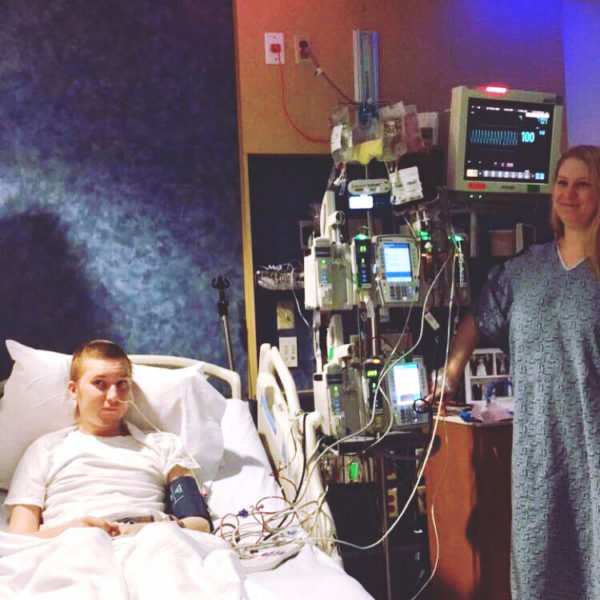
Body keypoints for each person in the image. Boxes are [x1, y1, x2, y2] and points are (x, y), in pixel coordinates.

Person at [434, 145, 600, 599]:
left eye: (583, 183)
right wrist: (451, 371)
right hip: (538, 457)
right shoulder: (526, 270)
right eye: (562, 183)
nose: (569, 194)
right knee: (539, 569)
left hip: (593, 452)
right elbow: (479, 316)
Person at [6, 339, 212, 538]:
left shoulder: (165, 446)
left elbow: (199, 524)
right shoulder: (44, 450)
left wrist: (147, 529)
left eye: (122, 383)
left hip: (150, 542)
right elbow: (20, 539)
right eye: (100, 383)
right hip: (71, 546)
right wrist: (73, 530)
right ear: (73, 390)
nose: (113, 396)